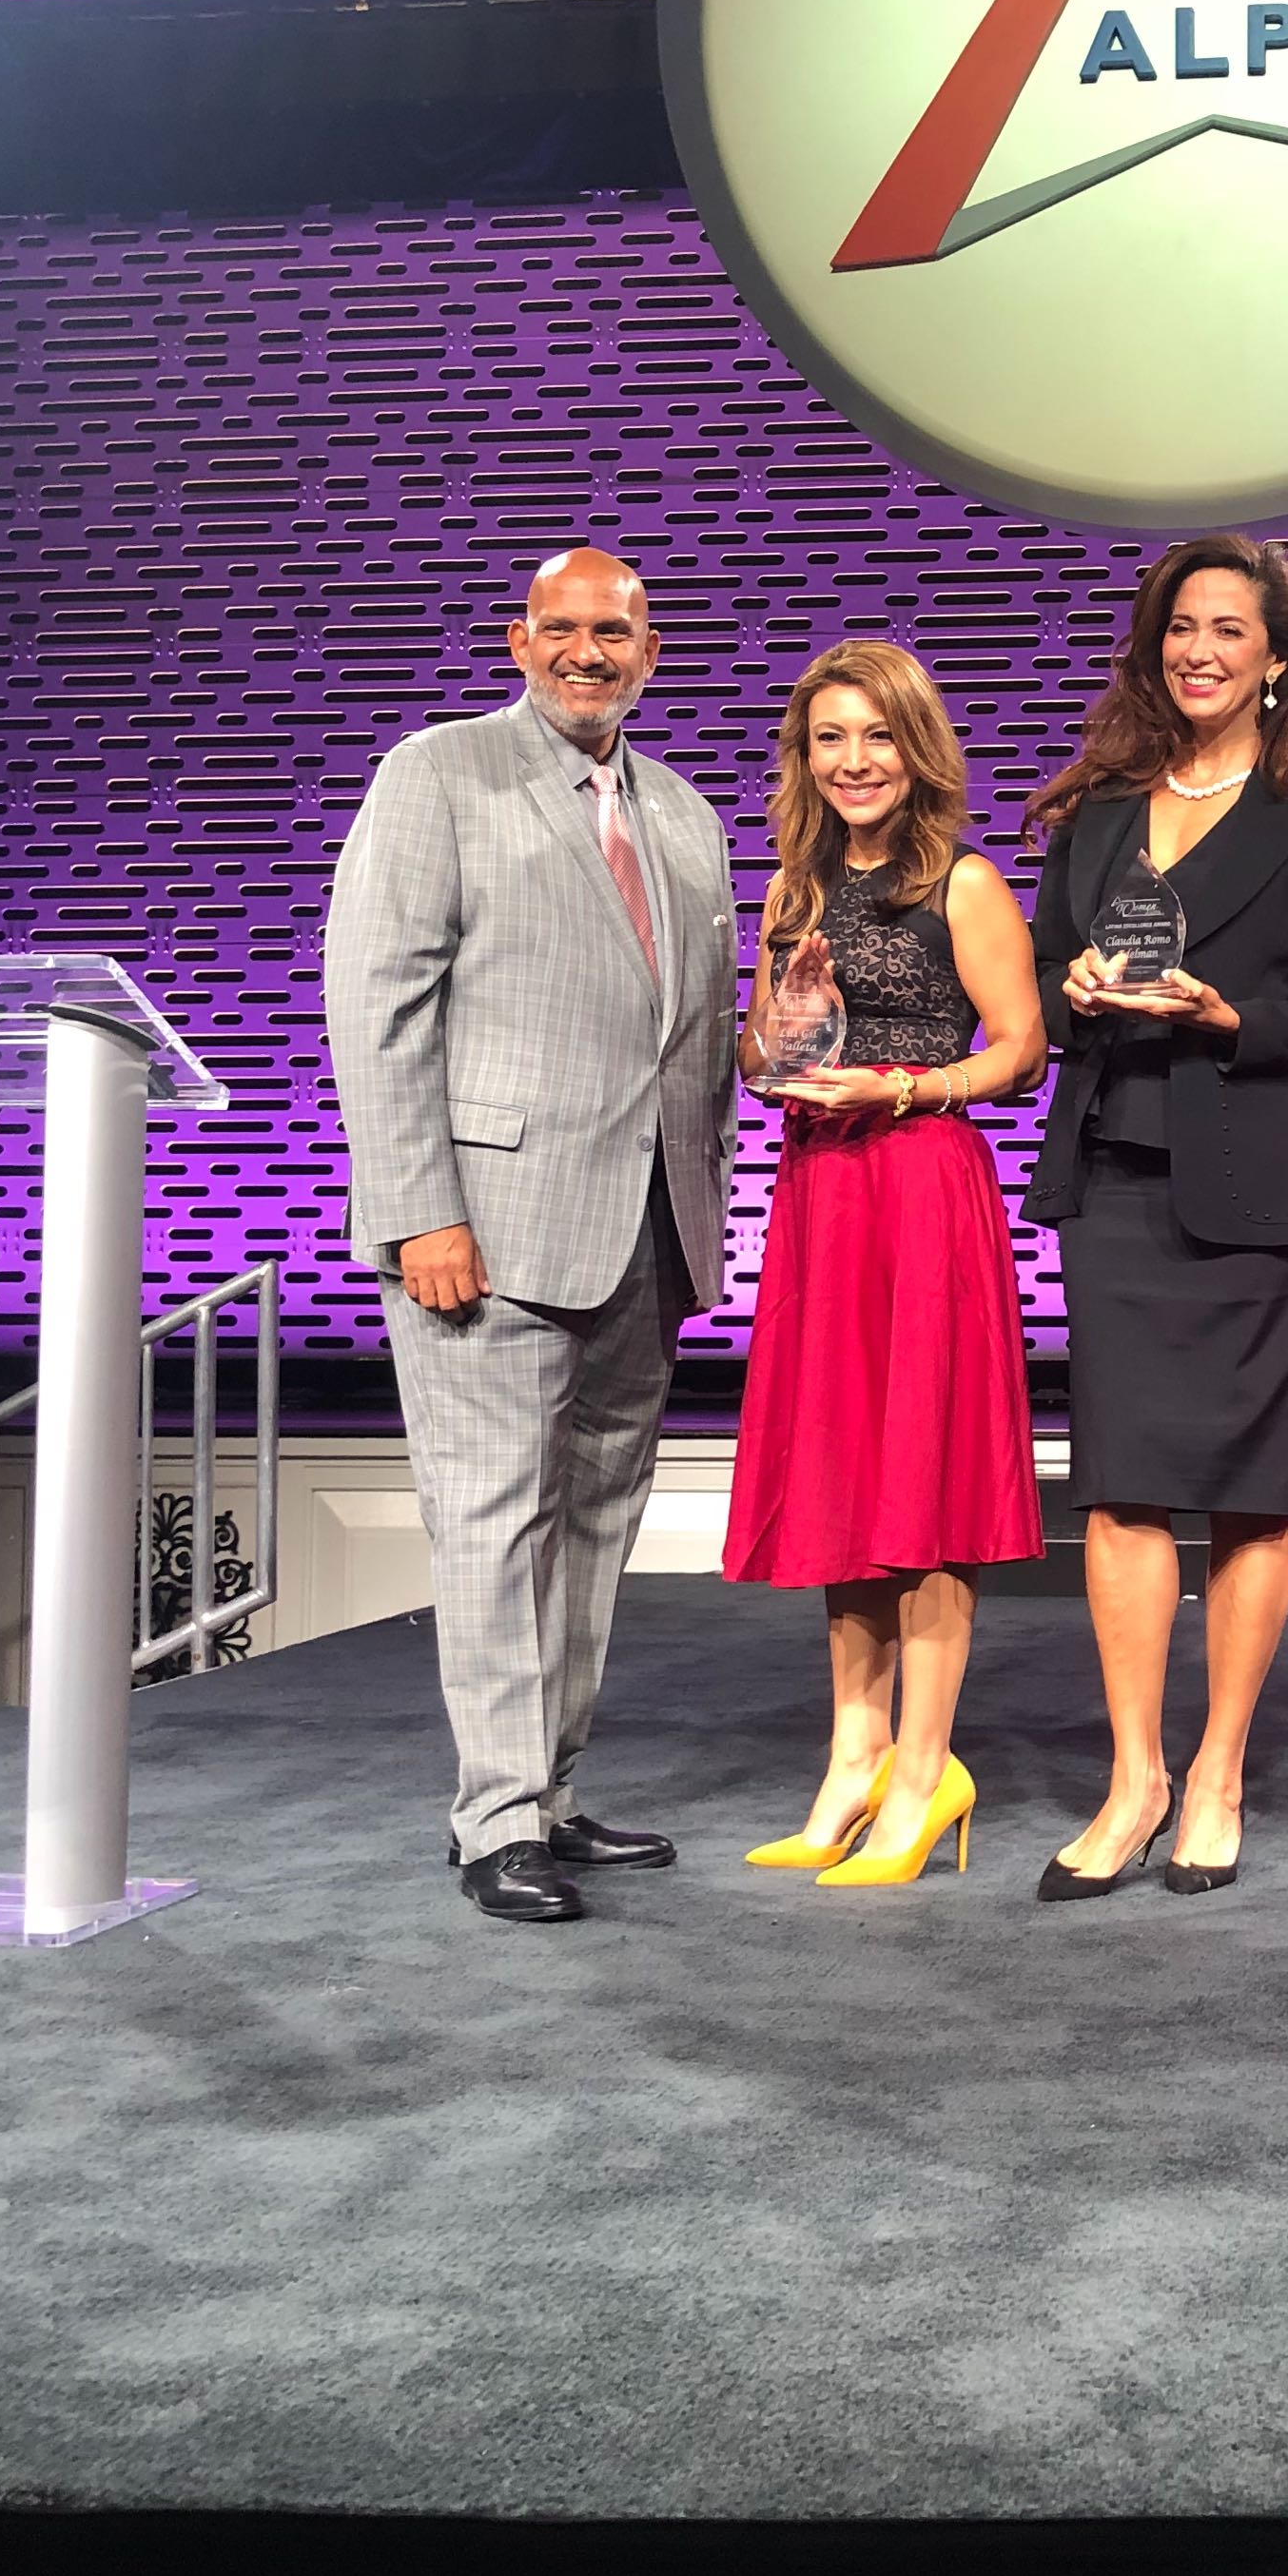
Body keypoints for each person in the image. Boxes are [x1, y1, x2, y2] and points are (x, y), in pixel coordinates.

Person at [322, 547, 736, 1925]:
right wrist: (416, 1208)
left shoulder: (679, 810)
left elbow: (684, 1037)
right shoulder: (435, 775)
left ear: (649, 650)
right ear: (518, 640)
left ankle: (549, 1793)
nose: (585, 652)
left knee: (596, 1522)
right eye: (560, 628)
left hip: (645, 1231)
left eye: (612, 631)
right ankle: (492, 1817)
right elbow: (376, 1009)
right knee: (492, 1525)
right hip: (483, 1231)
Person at [1021, 535, 1288, 1900]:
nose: (1201, 650)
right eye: (1181, 627)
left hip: (1254, 1183)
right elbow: (1037, 989)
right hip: (1115, 1169)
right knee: (1117, 1486)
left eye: (1230, 630)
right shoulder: (1098, 810)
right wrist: (1081, 990)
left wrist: (1227, 1012)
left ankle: (1218, 1765)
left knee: (1244, 1492)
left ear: (1276, 659)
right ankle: (1133, 1776)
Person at [723, 640, 1048, 1888]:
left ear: (916, 748)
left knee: (924, 1483)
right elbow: (771, 1046)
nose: (854, 761)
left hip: (919, 1186)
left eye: (876, 736)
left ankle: (926, 1771)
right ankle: (853, 1758)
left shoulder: (961, 882)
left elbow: (1018, 1051)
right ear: (805, 757)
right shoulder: (791, 891)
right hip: (820, 1192)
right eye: (829, 739)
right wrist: (760, 1046)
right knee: (842, 1479)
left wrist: (907, 1084)